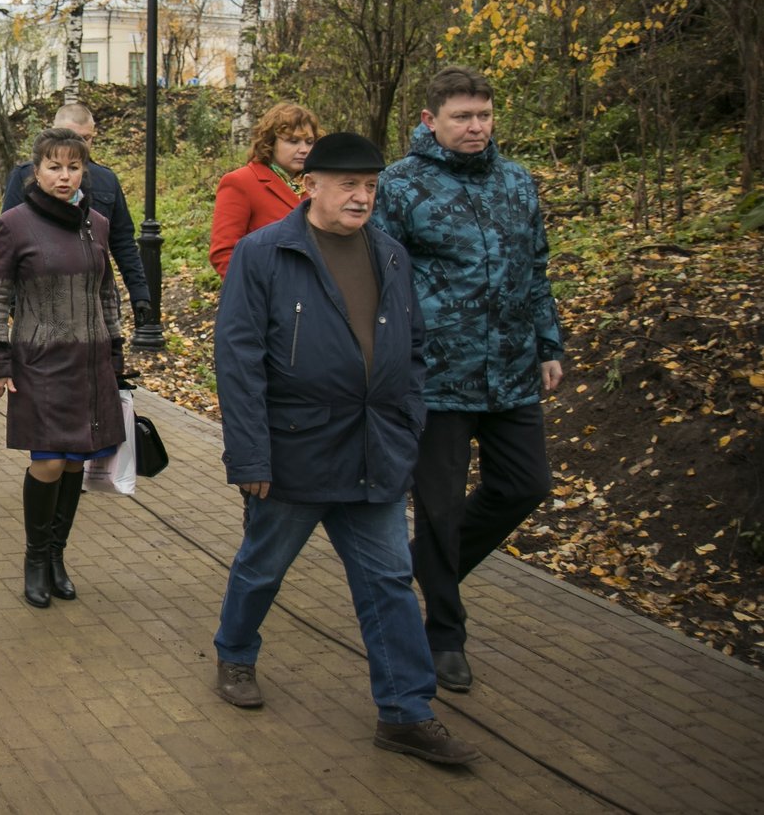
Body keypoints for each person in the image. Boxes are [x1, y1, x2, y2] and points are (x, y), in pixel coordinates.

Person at [211, 131, 480, 765]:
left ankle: (405, 713)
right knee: (262, 567)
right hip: (294, 451)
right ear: (312, 187)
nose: (362, 197)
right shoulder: (265, 254)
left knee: (389, 581)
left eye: (370, 187)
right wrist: (250, 456)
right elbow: (239, 358)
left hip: (373, 451)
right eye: (349, 185)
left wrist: (408, 420)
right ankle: (235, 653)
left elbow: (413, 347)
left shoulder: (389, 254)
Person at [373, 66, 563, 695]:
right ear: (431, 121)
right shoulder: (400, 187)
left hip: (510, 371)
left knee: (524, 486)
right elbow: (381, 281)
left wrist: (547, 344)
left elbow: (534, 268)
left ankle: (431, 566)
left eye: (484, 115)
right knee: (441, 506)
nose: (477, 127)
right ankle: (444, 634)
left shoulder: (516, 181)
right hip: (437, 377)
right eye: (463, 117)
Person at [0, 127, 127, 608]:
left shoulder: (97, 224)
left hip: (90, 361)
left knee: (75, 462)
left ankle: (58, 556)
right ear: (35, 171)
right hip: (40, 361)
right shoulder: (14, 225)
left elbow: (106, 293)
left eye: (73, 167)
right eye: (54, 166)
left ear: (84, 170)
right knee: (48, 461)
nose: (64, 176)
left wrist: (115, 352)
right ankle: (35, 558)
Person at [2, 102, 151, 334]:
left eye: (86, 138)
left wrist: (140, 293)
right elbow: (6, 245)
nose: (79, 145)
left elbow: (123, 242)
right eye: (71, 136)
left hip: (95, 305)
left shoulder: (106, 181)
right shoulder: (24, 178)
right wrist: (14, 303)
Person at [210, 102, 320, 278]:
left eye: (309, 142)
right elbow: (224, 254)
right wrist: (260, 291)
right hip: (264, 297)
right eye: (293, 141)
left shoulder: (315, 185)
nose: (304, 149)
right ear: (271, 142)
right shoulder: (241, 182)